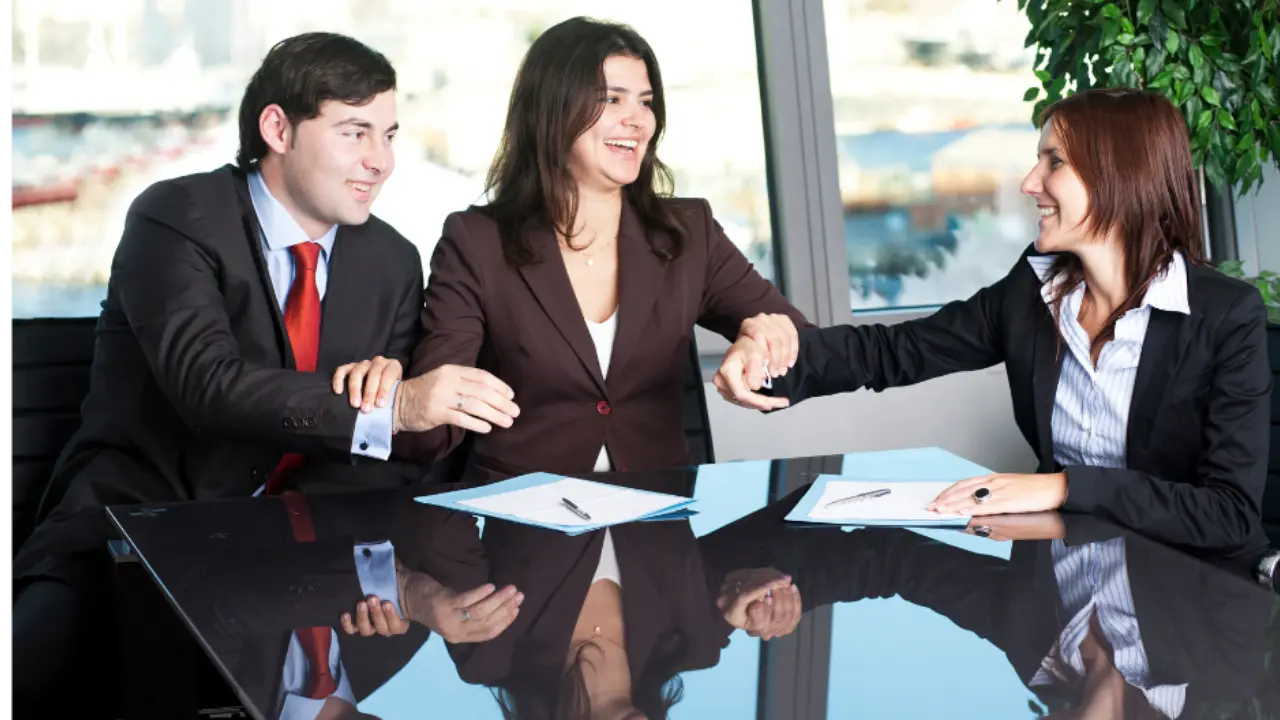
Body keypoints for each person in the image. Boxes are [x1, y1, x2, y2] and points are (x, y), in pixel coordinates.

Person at [8, 32, 445, 716]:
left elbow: (374, 461)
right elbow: (206, 386)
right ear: (278, 129)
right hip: (133, 527)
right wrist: (393, 408)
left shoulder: (393, 259)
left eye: (389, 135)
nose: (381, 161)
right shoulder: (176, 217)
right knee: (33, 673)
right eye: (355, 132)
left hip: (302, 556)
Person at [714, 88, 1272, 551]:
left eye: (1054, 162)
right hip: (1072, 571)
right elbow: (894, 351)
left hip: (1190, 599)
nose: (1030, 182)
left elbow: (1228, 514)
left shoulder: (1225, 316)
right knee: (888, 564)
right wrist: (767, 361)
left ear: (1119, 176)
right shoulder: (1034, 290)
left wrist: (1063, 488)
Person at [345, 17, 807, 481]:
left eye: (646, 102)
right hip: (521, 512)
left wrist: (762, 344)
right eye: (611, 99)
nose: (637, 119)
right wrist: (403, 402)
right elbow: (428, 431)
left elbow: (805, 349)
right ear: (552, 112)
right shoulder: (477, 241)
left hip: (657, 509)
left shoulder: (688, 230)